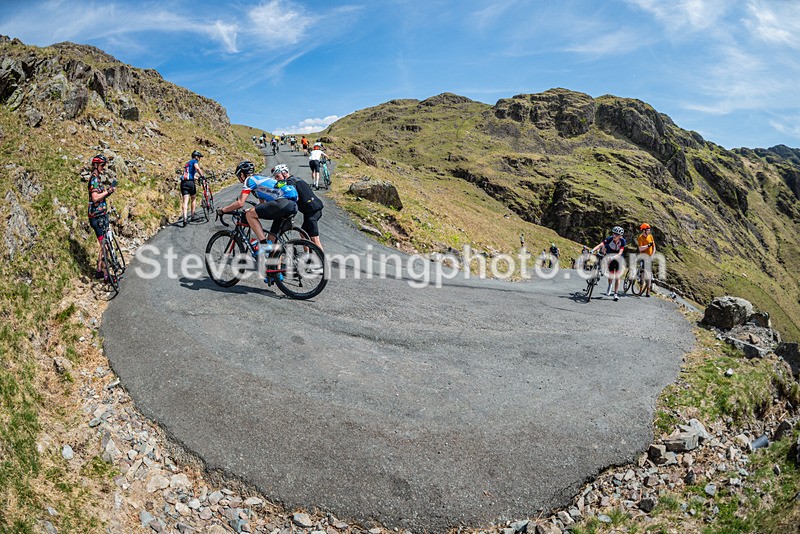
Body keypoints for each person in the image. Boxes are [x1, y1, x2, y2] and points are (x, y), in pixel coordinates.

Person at [217, 160, 298, 257]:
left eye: (239, 176)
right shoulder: (260, 179)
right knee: (272, 240)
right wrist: (251, 209)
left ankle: (263, 245)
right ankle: (275, 271)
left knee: (250, 215)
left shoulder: (249, 180)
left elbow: (240, 203)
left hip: (281, 203)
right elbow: (262, 204)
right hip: (290, 204)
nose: (240, 179)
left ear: (242, 174)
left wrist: (223, 210)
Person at [273, 164, 324, 250]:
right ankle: (308, 257)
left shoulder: (290, 182)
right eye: (275, 177)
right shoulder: (294, 179)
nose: (277, 179)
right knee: (303, 234)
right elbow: (277, 186)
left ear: (284, 173)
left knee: (315, 239)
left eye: (278, 176)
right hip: (313, 209)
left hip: (312, 211)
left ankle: (324, 261)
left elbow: (293, 197)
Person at [87, 154, 115, 279]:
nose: (104, 168)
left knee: (103, 243)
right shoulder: (93, 179)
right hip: (96, 216)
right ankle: (106, 275)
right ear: (96, 165)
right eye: (102, 165)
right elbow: (95, 197)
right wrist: (107, 192)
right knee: (105, 246)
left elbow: (100, 196)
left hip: (101, 214)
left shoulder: (98, 178)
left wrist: (108, 192)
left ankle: (99, 270)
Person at [591, 226, 626, 301]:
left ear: (620, 236)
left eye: (616, 234)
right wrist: (593, 250)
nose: (614, 235)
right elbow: (601, 245)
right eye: (614, 233)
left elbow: (620, 253)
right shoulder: (609, 238)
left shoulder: (622, 241)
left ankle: (615, 294)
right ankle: (610, 286)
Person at [180, 150, 204, 227]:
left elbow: (189, 174)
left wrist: (196, 177)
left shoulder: (187, 163)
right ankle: (192, 216)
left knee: (185, 201)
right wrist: (202, 175)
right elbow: (197, 168)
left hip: (183, 183)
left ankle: (185, 218)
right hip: (190, 183)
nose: (199, 159)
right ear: (196, 157)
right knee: (193, 198)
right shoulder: (194, 161)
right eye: (199, 157)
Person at [637, 223, 656, 297]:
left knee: (649, 274)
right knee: (642, 273)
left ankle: (648, 290)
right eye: (648, 230)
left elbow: (654, 247)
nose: (649, 231)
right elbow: (640, 248)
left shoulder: (650, 237)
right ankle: (641, 289)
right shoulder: (640, 238)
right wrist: (648, 245)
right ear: (644, 230)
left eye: (649, 230)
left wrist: (652, 254)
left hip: (649, 257)